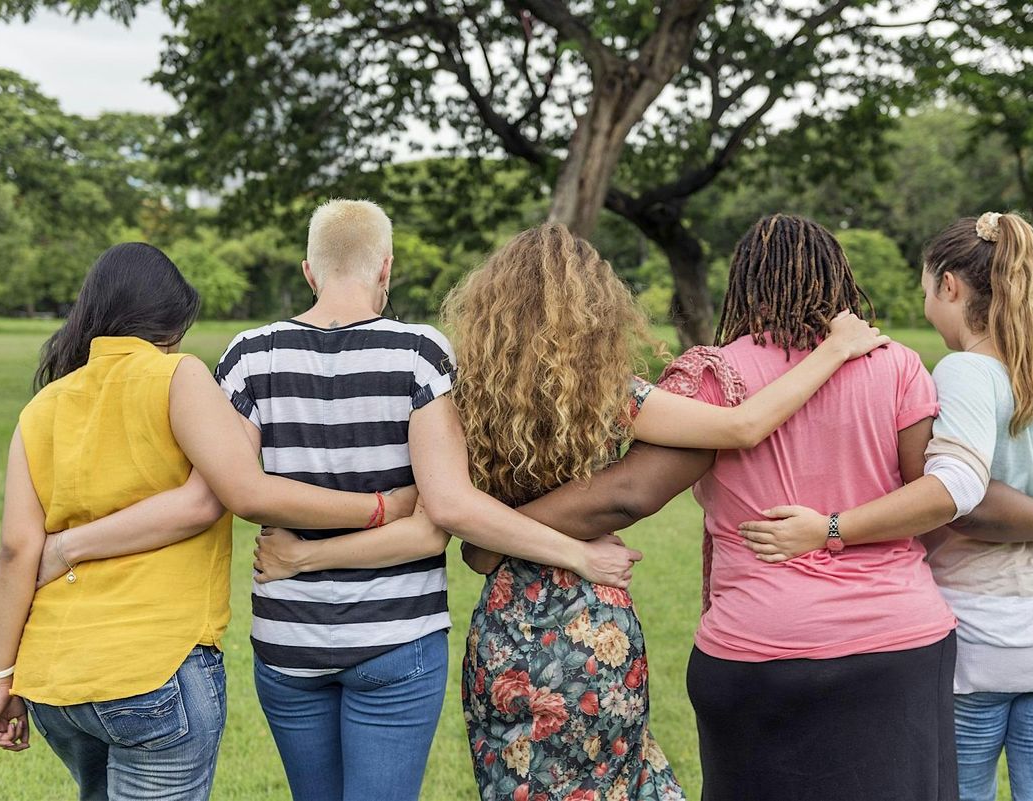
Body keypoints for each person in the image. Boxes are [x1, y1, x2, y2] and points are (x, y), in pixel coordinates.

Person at [22, 203, 644, 801]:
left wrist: (298, 559)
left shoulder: (248, 357)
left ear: (309, 271)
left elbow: (228, 489)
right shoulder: (421, 355)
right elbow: (440, 518)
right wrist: (579, 555)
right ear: (386, 267)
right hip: (398, 637)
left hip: (289, 641)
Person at [258, 221, 893, 800]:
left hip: (505, 630)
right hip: (595, 618)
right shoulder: (613, 393)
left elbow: (450, 514)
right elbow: (743, 426)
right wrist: (832, 350)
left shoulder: (459, 393)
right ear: (596, 308)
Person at [0, 242, 427, 801]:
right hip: (151, 668)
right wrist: (379, 508)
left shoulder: (42, 406)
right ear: (171, 319)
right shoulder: (177, 377)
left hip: (54, 682)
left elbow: (17, 551)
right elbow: (234, 493)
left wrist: (2, 676)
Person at [741, 212, 1033, 801]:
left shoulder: (964, 371)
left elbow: (954, 494)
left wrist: (829, 528)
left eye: (925, 290)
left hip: (982, 642)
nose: (925, 303)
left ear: (949, 286)